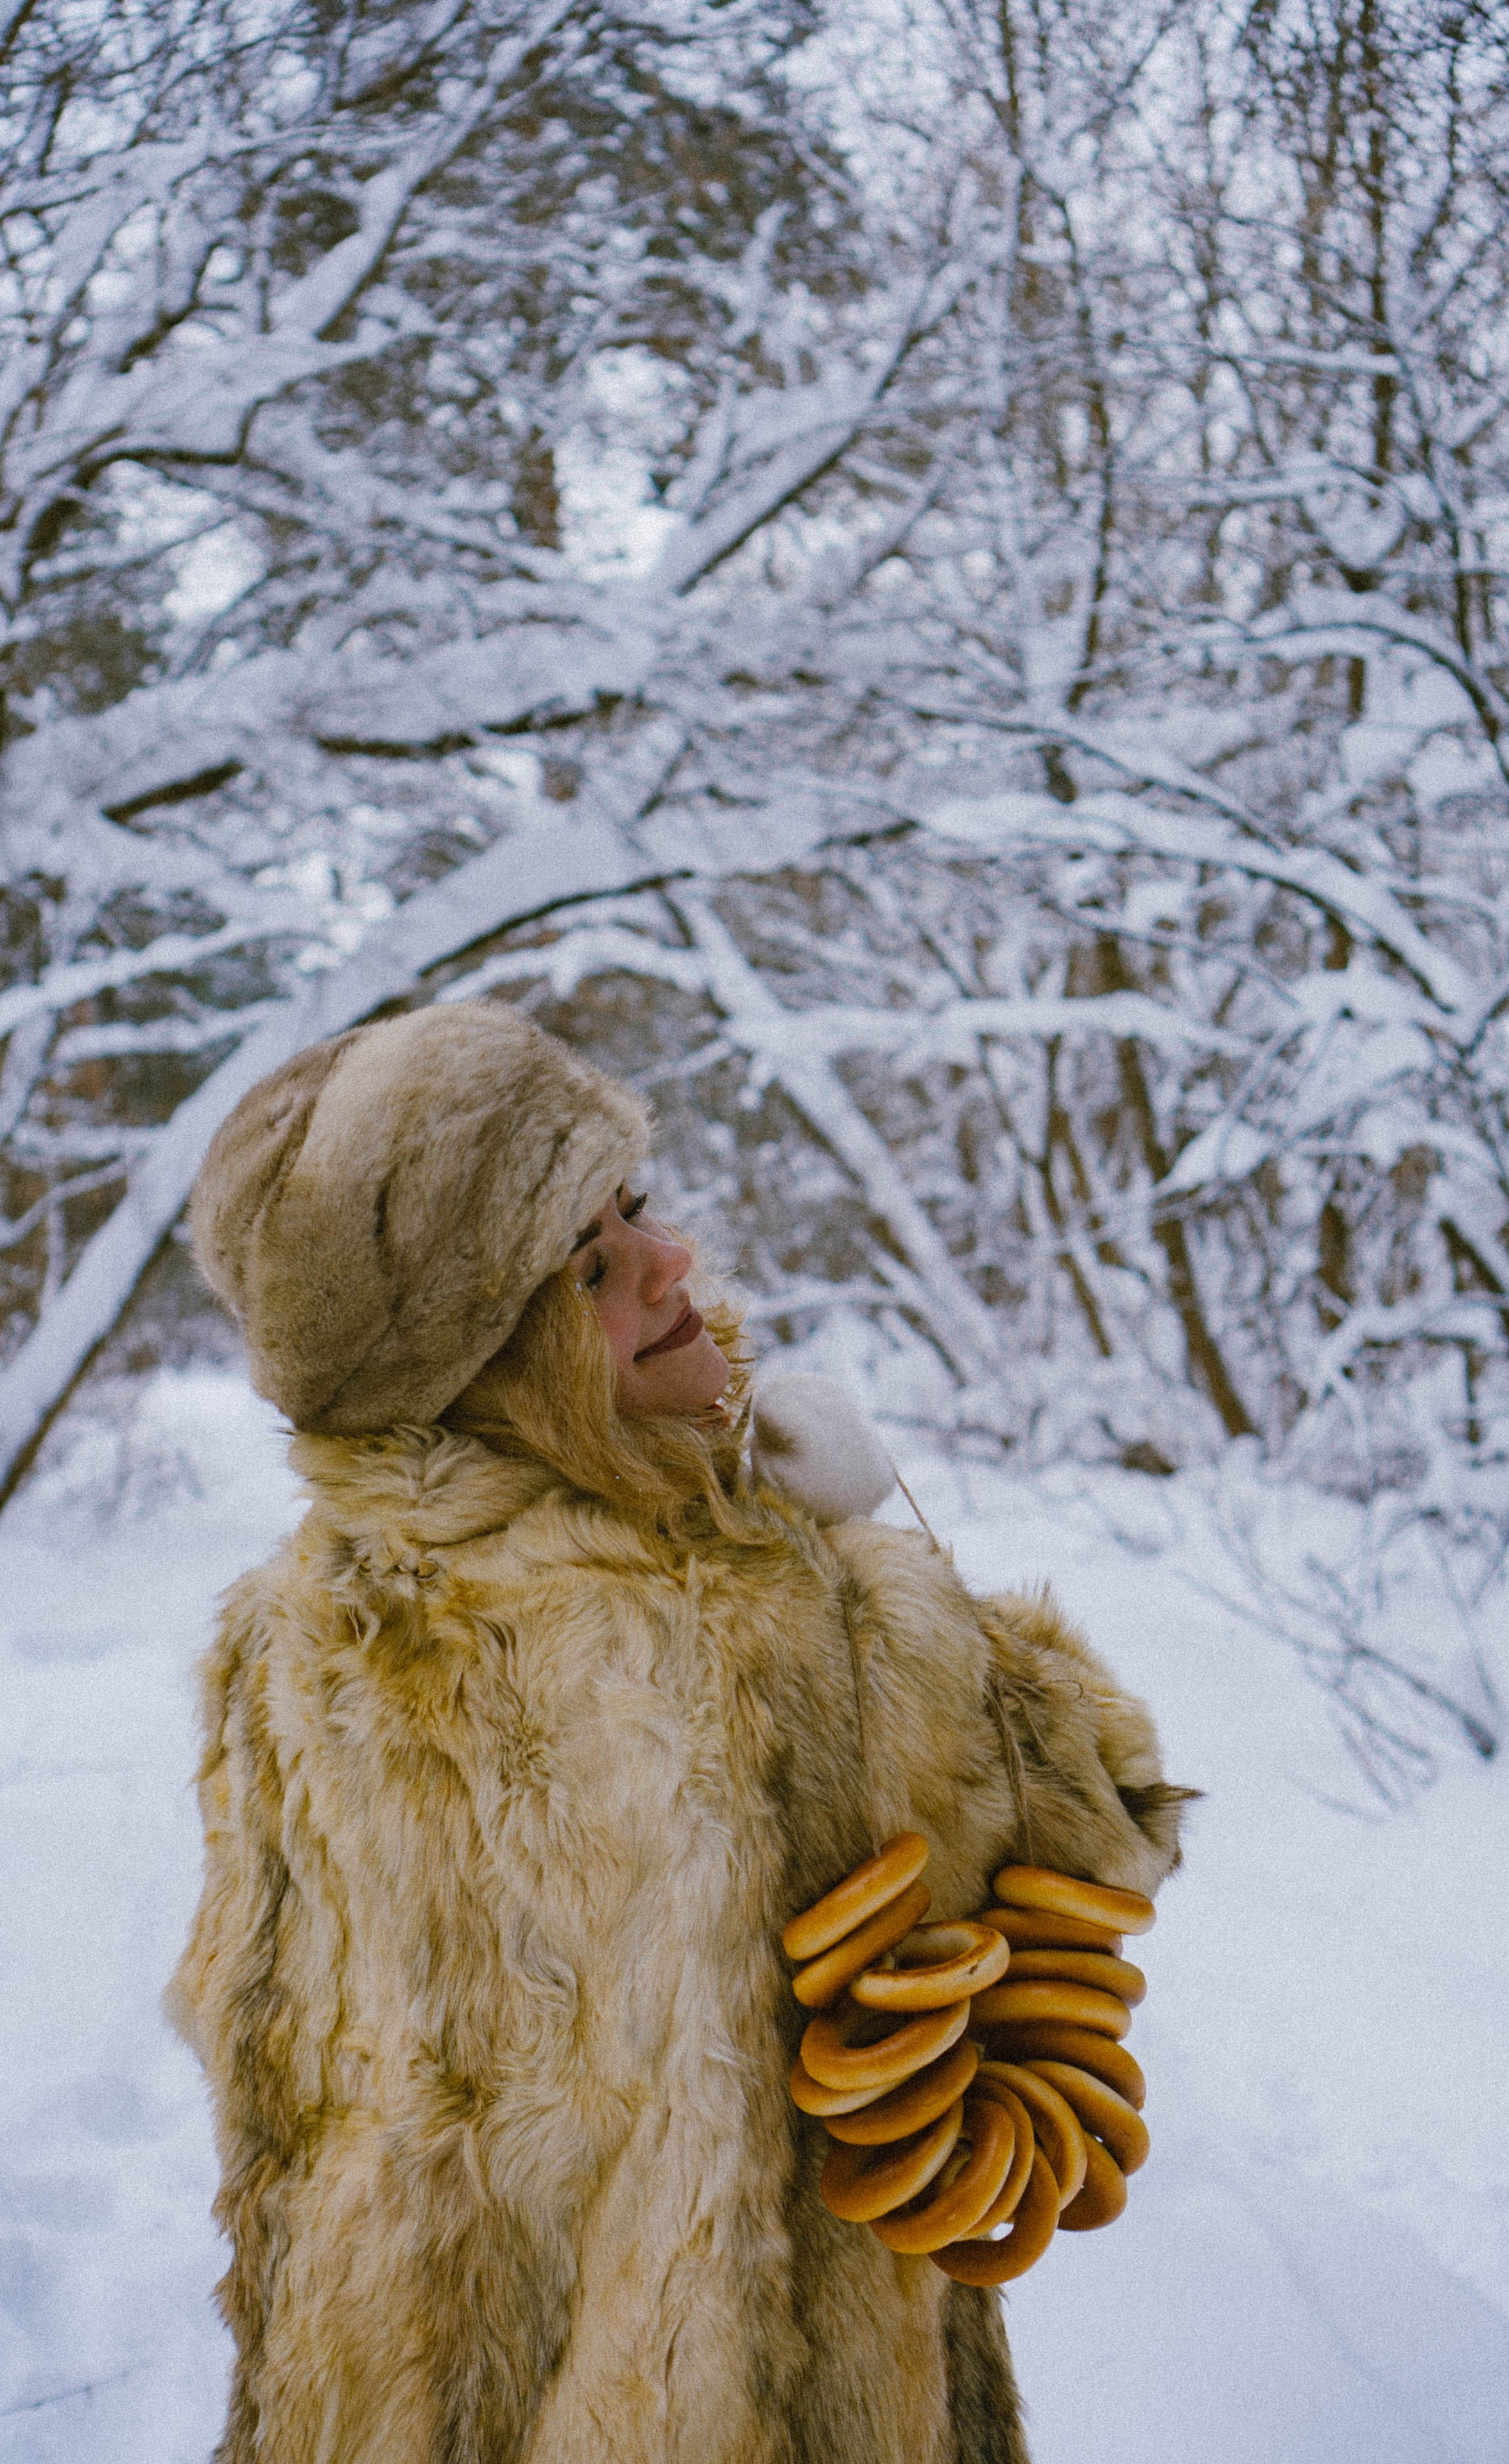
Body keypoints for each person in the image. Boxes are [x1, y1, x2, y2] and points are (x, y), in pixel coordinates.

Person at [168, 1000, 1187, 2464]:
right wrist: (877, 1559)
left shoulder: (295, 1627)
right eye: (593, 1265)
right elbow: (1108, 1822)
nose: (671, 1262)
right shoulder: (783, 1614)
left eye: (632, 1205)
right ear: (484, 1359)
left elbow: (267, 2076)